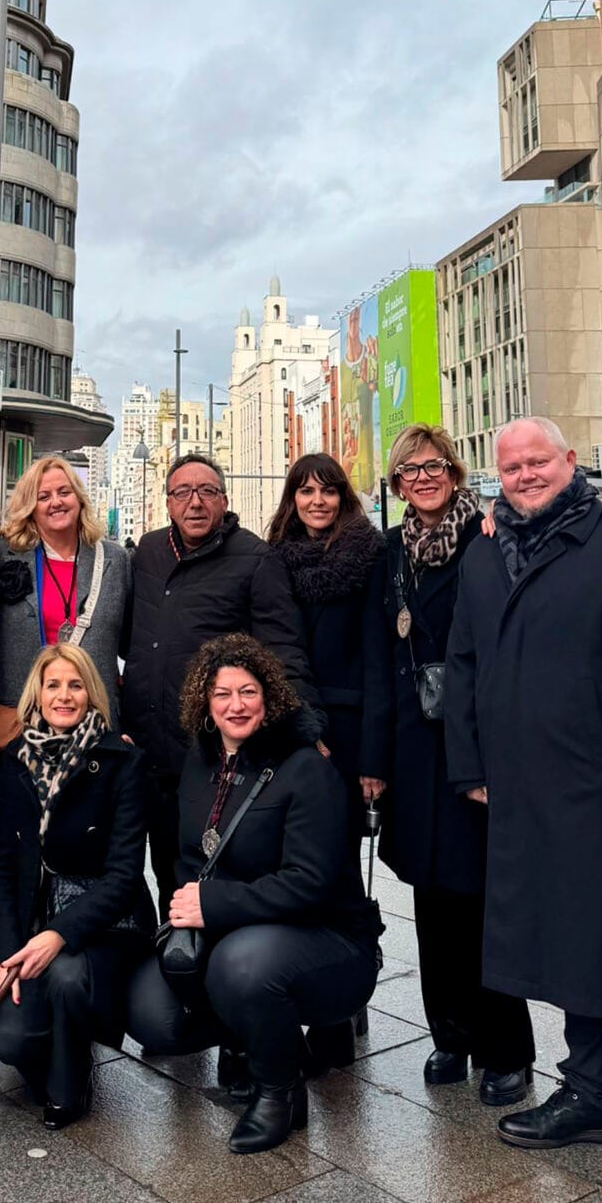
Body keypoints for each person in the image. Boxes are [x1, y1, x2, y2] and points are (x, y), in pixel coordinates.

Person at [446, 418, 602, 1203]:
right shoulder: (485, 554)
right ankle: (593, 1093)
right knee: (566, 952)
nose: (525, 475)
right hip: (525, 798)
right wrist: (471, 765)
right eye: (511, 467)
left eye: (538, 462)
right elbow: (463, 663)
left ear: (568, 461)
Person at [127, 634, 382, 1155]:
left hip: (328, 939)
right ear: (205, 702)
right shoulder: (200, 763)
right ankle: (255, 1040)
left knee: (239, 967)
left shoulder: (305, 768)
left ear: (270, 698)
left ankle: (280, 1092)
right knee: (151, 1010)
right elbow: (191, 857)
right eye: (222, 694)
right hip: (243, 931)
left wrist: (214, 906)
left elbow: (310, 883)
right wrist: (193, 907)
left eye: (248, 692)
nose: (236, 705)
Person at [359, 422, 534, 1109]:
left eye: (434, 466)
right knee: (431, 897)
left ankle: (505, 1047)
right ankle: (450, 1034)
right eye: (410, 470)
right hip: (413, 745)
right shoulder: (390, 553)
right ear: (398, 485)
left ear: (455, 474)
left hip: (476, 740)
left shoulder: (487, 538)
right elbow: (379, 660)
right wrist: (373, 759)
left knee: (482, 896)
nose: (423, 478)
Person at [121, 452, 321, 909]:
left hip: (211, 755)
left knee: (206, 875)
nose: (195, 502)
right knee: (156, 871)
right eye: (182, 492)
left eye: (207, 491)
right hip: (145, 751)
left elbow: (284, 650)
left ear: (224, 501)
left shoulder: (255, 558)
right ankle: (168, 947)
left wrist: (308, 726)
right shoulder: (148, 551)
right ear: (168, 503)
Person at [0, 643, 153, 1127]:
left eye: (76, 685)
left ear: (92, 694)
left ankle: (70, 1084)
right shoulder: (15, 762)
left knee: (69, 976)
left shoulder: (120, 762)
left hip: (101, 926)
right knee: (10, 1039)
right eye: (53, 685)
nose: (64, 696)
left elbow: (124, 876)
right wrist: (5, 962)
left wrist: (58, 934)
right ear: (38, 693)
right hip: (34, 923)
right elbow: (2, 873)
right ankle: (50, 1046)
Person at [0, 457, 131, 831]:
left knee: (88, 836)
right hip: (19, 723)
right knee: (15, 838)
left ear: (79, 498)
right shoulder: (3, 554)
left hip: (93, 726)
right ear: (29, 505)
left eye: (64, 492)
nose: (55, 502)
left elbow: (131, 641)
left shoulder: (114, 559)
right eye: (43, 495)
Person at [267, 451, 383, 845]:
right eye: (306, 491)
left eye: (328, 491)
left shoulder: (368, 555)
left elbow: (378, 661)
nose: (317, 501)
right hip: (289, 720)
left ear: (342, 497)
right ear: (292, 499)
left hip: (348, 730)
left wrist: (373, 759)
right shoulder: (275, 559)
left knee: (342, 852)